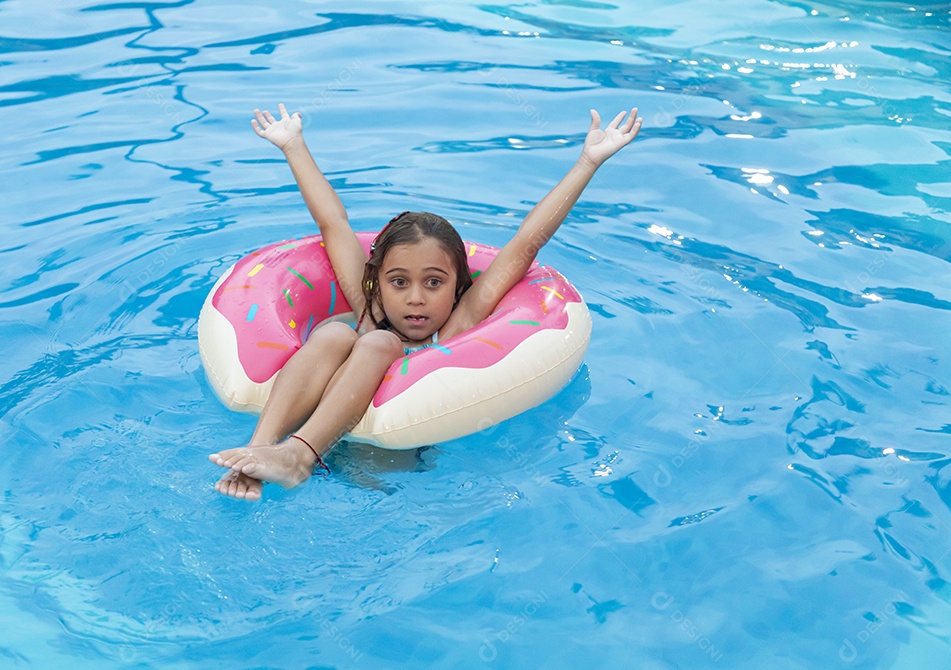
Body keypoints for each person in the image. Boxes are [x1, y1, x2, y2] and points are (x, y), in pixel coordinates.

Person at [211, 103, 641, 500]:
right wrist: (294, 146)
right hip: (320, 435)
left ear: (458, 287)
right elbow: (333, 222)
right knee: (335, 336)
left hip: (380, 464)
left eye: (434, 283)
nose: (416, 299)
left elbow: (526, 244)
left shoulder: (457, 325)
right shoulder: (367, 308)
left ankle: (298, 458)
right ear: (376, 282)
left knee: (378, 344)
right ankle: (259, 451)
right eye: (399, 282)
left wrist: (588, 162)